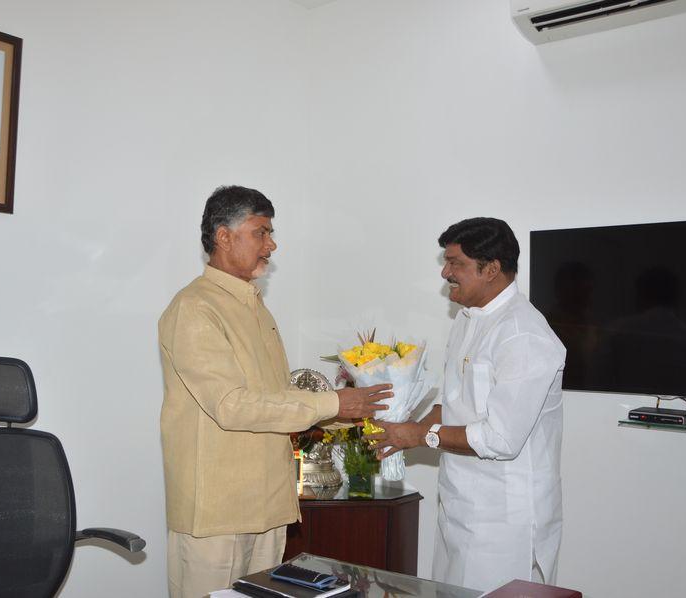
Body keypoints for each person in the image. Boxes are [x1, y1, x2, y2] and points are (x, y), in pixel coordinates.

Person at [158, 185, 392, 598]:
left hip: (268, 503)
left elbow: (275, 399)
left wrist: (348, 412)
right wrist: (333, 402)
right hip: (217, 513)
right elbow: (231, 406)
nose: (272, 244)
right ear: (223, 236)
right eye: (261, 232)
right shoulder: (195, 308)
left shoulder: (254, 306)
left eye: (271, 233)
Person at [368, 217, 566, 593]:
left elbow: (501, 440)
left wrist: (418, 435)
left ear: (491, 269)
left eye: (455, 263)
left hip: (504, 522)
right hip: (460, 504)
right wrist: (407, 432)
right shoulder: (467, 319)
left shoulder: (524, 335)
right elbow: (452, 401)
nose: (445, 272)